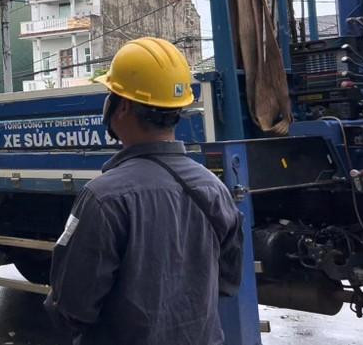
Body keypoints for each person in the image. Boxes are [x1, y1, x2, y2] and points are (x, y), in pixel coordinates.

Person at [44, 37, 243, 345]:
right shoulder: (214, 188)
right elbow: (227, 282)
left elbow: (71, 306)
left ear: (121, 106)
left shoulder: (103, 198)